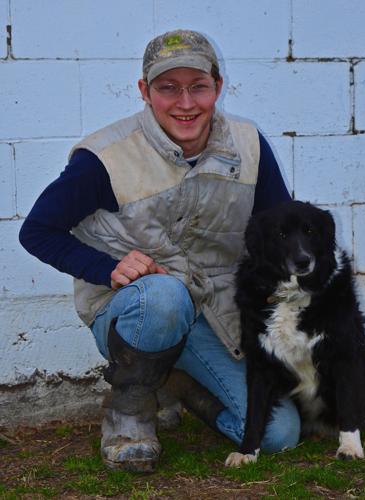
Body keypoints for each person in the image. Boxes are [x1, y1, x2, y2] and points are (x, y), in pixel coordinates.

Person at [19, 29, 299, 472]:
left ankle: (179, 384)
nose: (185, 103)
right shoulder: (106, 156)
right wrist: (108, 268)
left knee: (279, 435)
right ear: (145, 92)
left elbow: (282, 230)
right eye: (168, 88)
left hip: (215, 311)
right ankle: (127, 416)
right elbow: (37, 231)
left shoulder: (248, 146)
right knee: (164, 296)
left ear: (218, 87)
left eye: (198, 87)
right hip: (135, 309)